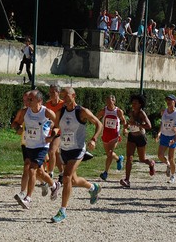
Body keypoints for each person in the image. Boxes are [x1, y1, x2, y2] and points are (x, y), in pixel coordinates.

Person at [50, 87, 103, 223]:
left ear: (73, 96)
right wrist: (54, 132)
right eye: (62, 96)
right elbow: (55, 126)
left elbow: (99, 124)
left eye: (66, 96)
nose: (64, 99)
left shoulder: (82, 111)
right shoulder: (60, 112)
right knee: (73, 180)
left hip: (78, 149)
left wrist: (94, 139)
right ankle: (93, 188)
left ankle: (62, 211)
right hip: (65, 149)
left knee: (66, 177)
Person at [12, 89, 61, 209]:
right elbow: (15, 123)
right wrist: (18, 128)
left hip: (42, 146)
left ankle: (28, 198)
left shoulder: (47, 112)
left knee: (32, 170)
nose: (28, 101)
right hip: (29, 145)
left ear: (39, 100)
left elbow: (58, 125)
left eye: (31, 99)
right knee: (40, 172)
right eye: (27, 99)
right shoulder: (24, 112)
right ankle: (54, 185)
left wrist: (52, 136)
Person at [121, 94, 155, 188]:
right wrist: (126, 125)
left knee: (142, 159)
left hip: (140, 137)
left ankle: (151, 163)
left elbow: (149, 126)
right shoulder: (131, 112)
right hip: (131, 136)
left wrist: (138, 124)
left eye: (135, 103)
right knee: (129, 158)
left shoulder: (141, 113)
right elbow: (129, 123)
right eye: (132, 103)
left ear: (140, 104)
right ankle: (127, 180)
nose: (133, 104)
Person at [96, 95, 126, 181]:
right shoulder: (104, 111)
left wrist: (124, 129)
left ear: (114, 101)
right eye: (107, 101)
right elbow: (96, 118)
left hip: (115, 135)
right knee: (109, 154)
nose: (109, 103)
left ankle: (105, 173)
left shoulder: (118, 111)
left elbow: (123, 120)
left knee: (109, 153)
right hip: (105, 135)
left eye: (110, 101)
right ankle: (118, 158)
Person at [156, 94, 176, 183]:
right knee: (160, 155)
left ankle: (173, 176)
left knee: (171, 158)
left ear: (174, 101)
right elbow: (162, 123)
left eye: (170, 100)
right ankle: (168, 164)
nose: (168, 102)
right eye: (167, 100)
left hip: (173, 136)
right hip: (164, 135)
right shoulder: (163, 111)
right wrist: (159, 133)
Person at [45, 85, 64, 183]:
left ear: (58, 93)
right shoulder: (47, 104)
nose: (51, 94)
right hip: (50, 131)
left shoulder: (63, 104)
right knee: (56, 153)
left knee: (51, 151)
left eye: (53, 92)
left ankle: (50, 174)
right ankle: (62, 173)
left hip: (60, 132)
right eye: (50, 92)